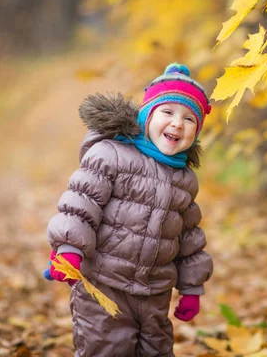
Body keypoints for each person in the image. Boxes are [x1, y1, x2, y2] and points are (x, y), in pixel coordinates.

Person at [46, 63, 214, 357]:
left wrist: (192, 287)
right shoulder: (111, 154)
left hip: (154, 293)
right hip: (104, 285)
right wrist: (69, 248)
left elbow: (189, 238)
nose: (177, 124)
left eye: (189, 118)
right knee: (106, 349)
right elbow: (81, 204)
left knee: (157, 350)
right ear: (146, 115)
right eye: (167, 112)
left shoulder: (185, 179)